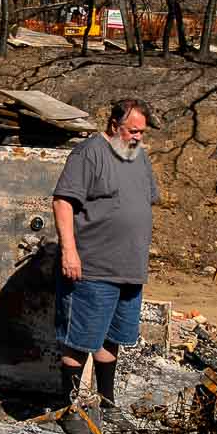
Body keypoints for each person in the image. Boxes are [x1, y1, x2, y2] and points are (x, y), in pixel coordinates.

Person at [52, 98, 160, 409]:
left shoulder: (138, 157)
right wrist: (69, 252)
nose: (138, 137)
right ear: (114, 126)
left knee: (112, 338)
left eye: (142, 132)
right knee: (79, 340)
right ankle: (69, 410)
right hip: (93, 268)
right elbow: (63, 202)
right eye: (132, 131)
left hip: (128, 269)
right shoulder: (89, 154)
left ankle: (107, 404)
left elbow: (144, 202)